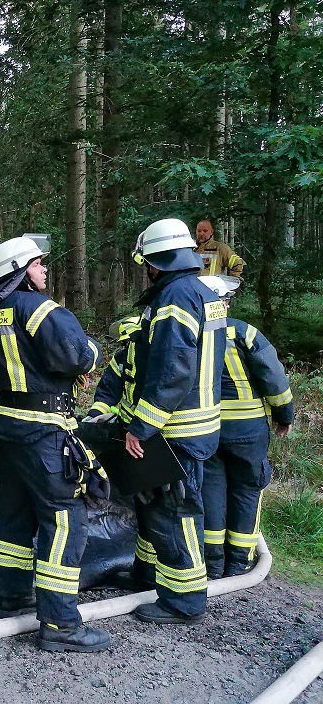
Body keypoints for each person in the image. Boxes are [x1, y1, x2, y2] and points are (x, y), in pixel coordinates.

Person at [0, 236, 109, 653]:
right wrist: (92, 350)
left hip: (7, 431)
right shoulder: (42, 310)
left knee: (13, 515)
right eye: (37, 264)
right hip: (47, 430)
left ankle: (12, 594)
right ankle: (60, 623)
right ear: (20, 270)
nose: (44, 270)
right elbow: (76, 357)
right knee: (65, 520)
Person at [122, 218, 227, 624]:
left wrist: (140, 426)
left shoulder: (174, 299)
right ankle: (149, 575)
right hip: (199, 425)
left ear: (155, 262)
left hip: (175, 430)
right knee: (162, 505)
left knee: (176, 509)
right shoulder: (202, 293)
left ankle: (183, 600)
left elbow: (173, 370)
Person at [197, 276, 294, 579]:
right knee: (247, 490)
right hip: (248, 431)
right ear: (222, 302)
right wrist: (284, 415)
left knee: (211, 489)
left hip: (205, 428)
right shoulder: (243, 332)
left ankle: (212, 564)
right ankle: (239, 565)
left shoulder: (190, 332)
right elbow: (273, 379)